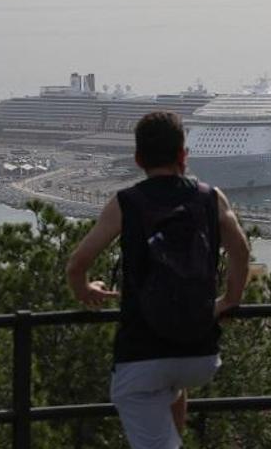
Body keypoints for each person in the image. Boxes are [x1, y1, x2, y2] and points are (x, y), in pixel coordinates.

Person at [66, 111, 250, 448]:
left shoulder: (126, 203)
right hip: (201, 354)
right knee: (170, 392)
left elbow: (77, 264)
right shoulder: (211, 198)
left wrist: (85, 290)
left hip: (142, 353)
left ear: (138, 160)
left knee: (144, 402)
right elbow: (240, 251)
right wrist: (229, 300)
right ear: (184, 155)